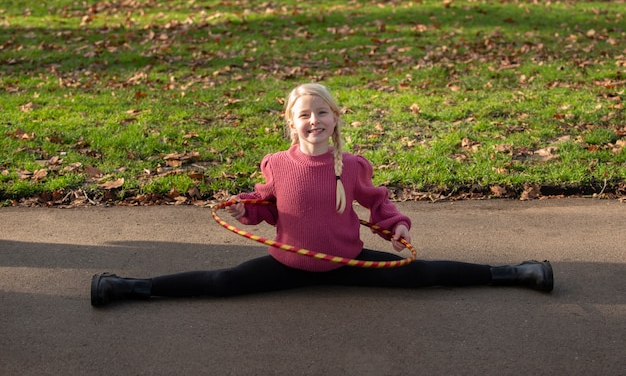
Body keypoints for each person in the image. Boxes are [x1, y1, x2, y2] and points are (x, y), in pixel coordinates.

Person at [91, 83, 553, 306]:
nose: (313, 121)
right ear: (291, 124)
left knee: (423, 275)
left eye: (321, 113)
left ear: (334, 118)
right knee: (223, 283)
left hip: (347, 260)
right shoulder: (276, 163)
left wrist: (398, 228)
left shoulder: (351, 166)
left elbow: (378, 203)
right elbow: (266, 206)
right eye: (303, 115)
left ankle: (516, 273)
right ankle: (126, 286)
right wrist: (242, 207)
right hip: (287, 263)